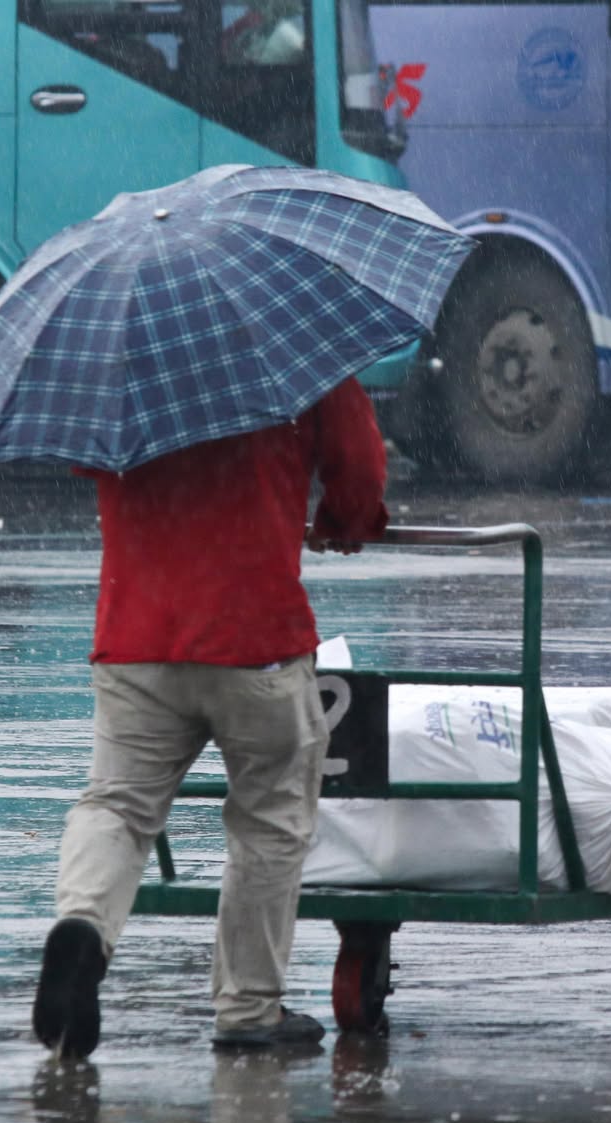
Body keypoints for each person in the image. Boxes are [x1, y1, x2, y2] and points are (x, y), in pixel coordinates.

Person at [32, 376, 390, 1059]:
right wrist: (346, 519)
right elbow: (359, 465)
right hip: (253, 633)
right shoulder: (294, 335)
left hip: (137, 632)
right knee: (270, 814)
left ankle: (81, 929)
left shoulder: (123, 342)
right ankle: (249, 1007)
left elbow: (99, 456)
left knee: (117, 803)